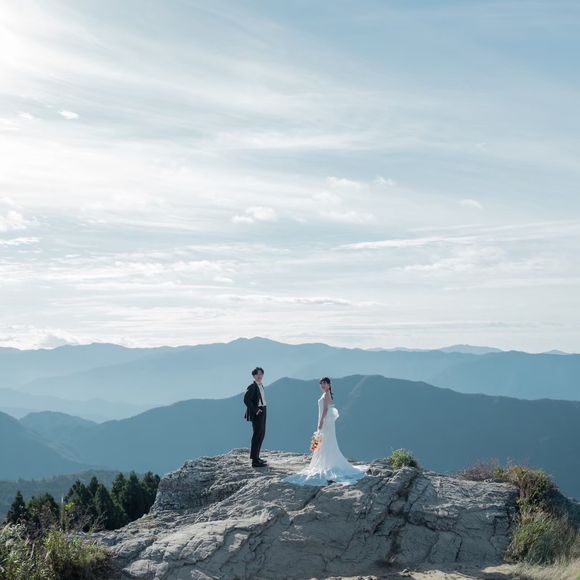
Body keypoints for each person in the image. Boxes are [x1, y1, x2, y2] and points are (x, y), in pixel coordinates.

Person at [285, 377, 368, 485]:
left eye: (324, 383)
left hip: (325, 422)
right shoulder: (326, 394)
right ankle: (326, 462)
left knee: (325, 442)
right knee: (325, 442)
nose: (322, 385)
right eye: (321, 383)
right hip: (327, 422)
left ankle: (326, 463)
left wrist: (321, 422)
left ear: (329, 385)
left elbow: (325, 410)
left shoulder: (326, 395)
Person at [243, 367, 268, 468]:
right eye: (257, 374)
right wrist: (255, 410)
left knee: (261, 434)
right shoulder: (252, 386)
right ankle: (254, 460)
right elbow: (246, 399)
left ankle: (257, 457)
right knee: (257, 435)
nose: (259, 376)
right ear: (254, 376)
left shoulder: (260, 385)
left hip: (263, 409)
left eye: (261, 374)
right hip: (258, 412)